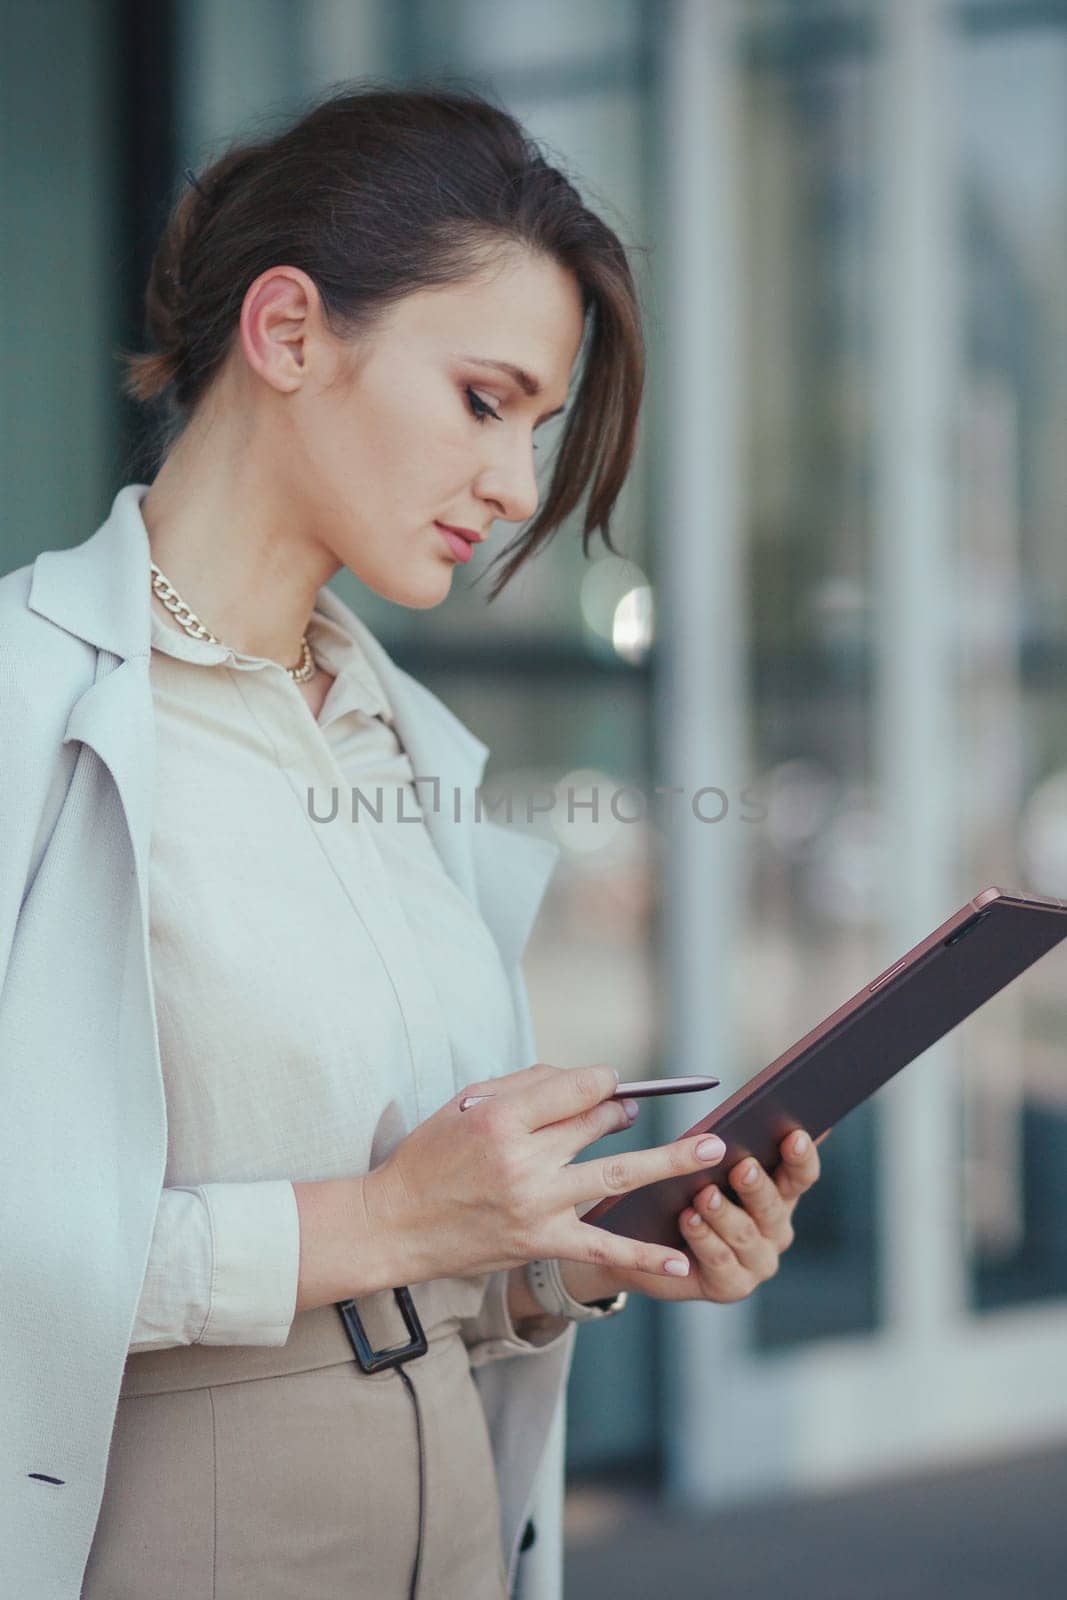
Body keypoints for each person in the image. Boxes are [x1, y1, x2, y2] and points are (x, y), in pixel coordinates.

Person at [0, 83, 822, 1600]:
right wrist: (375, 1222)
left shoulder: (405, 748)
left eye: (541, 428)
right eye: (485, 401)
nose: (516, 490)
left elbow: (432, 1250)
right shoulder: (23, 703)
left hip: (459, 1537)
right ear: (291, 331)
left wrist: (578, 1256)